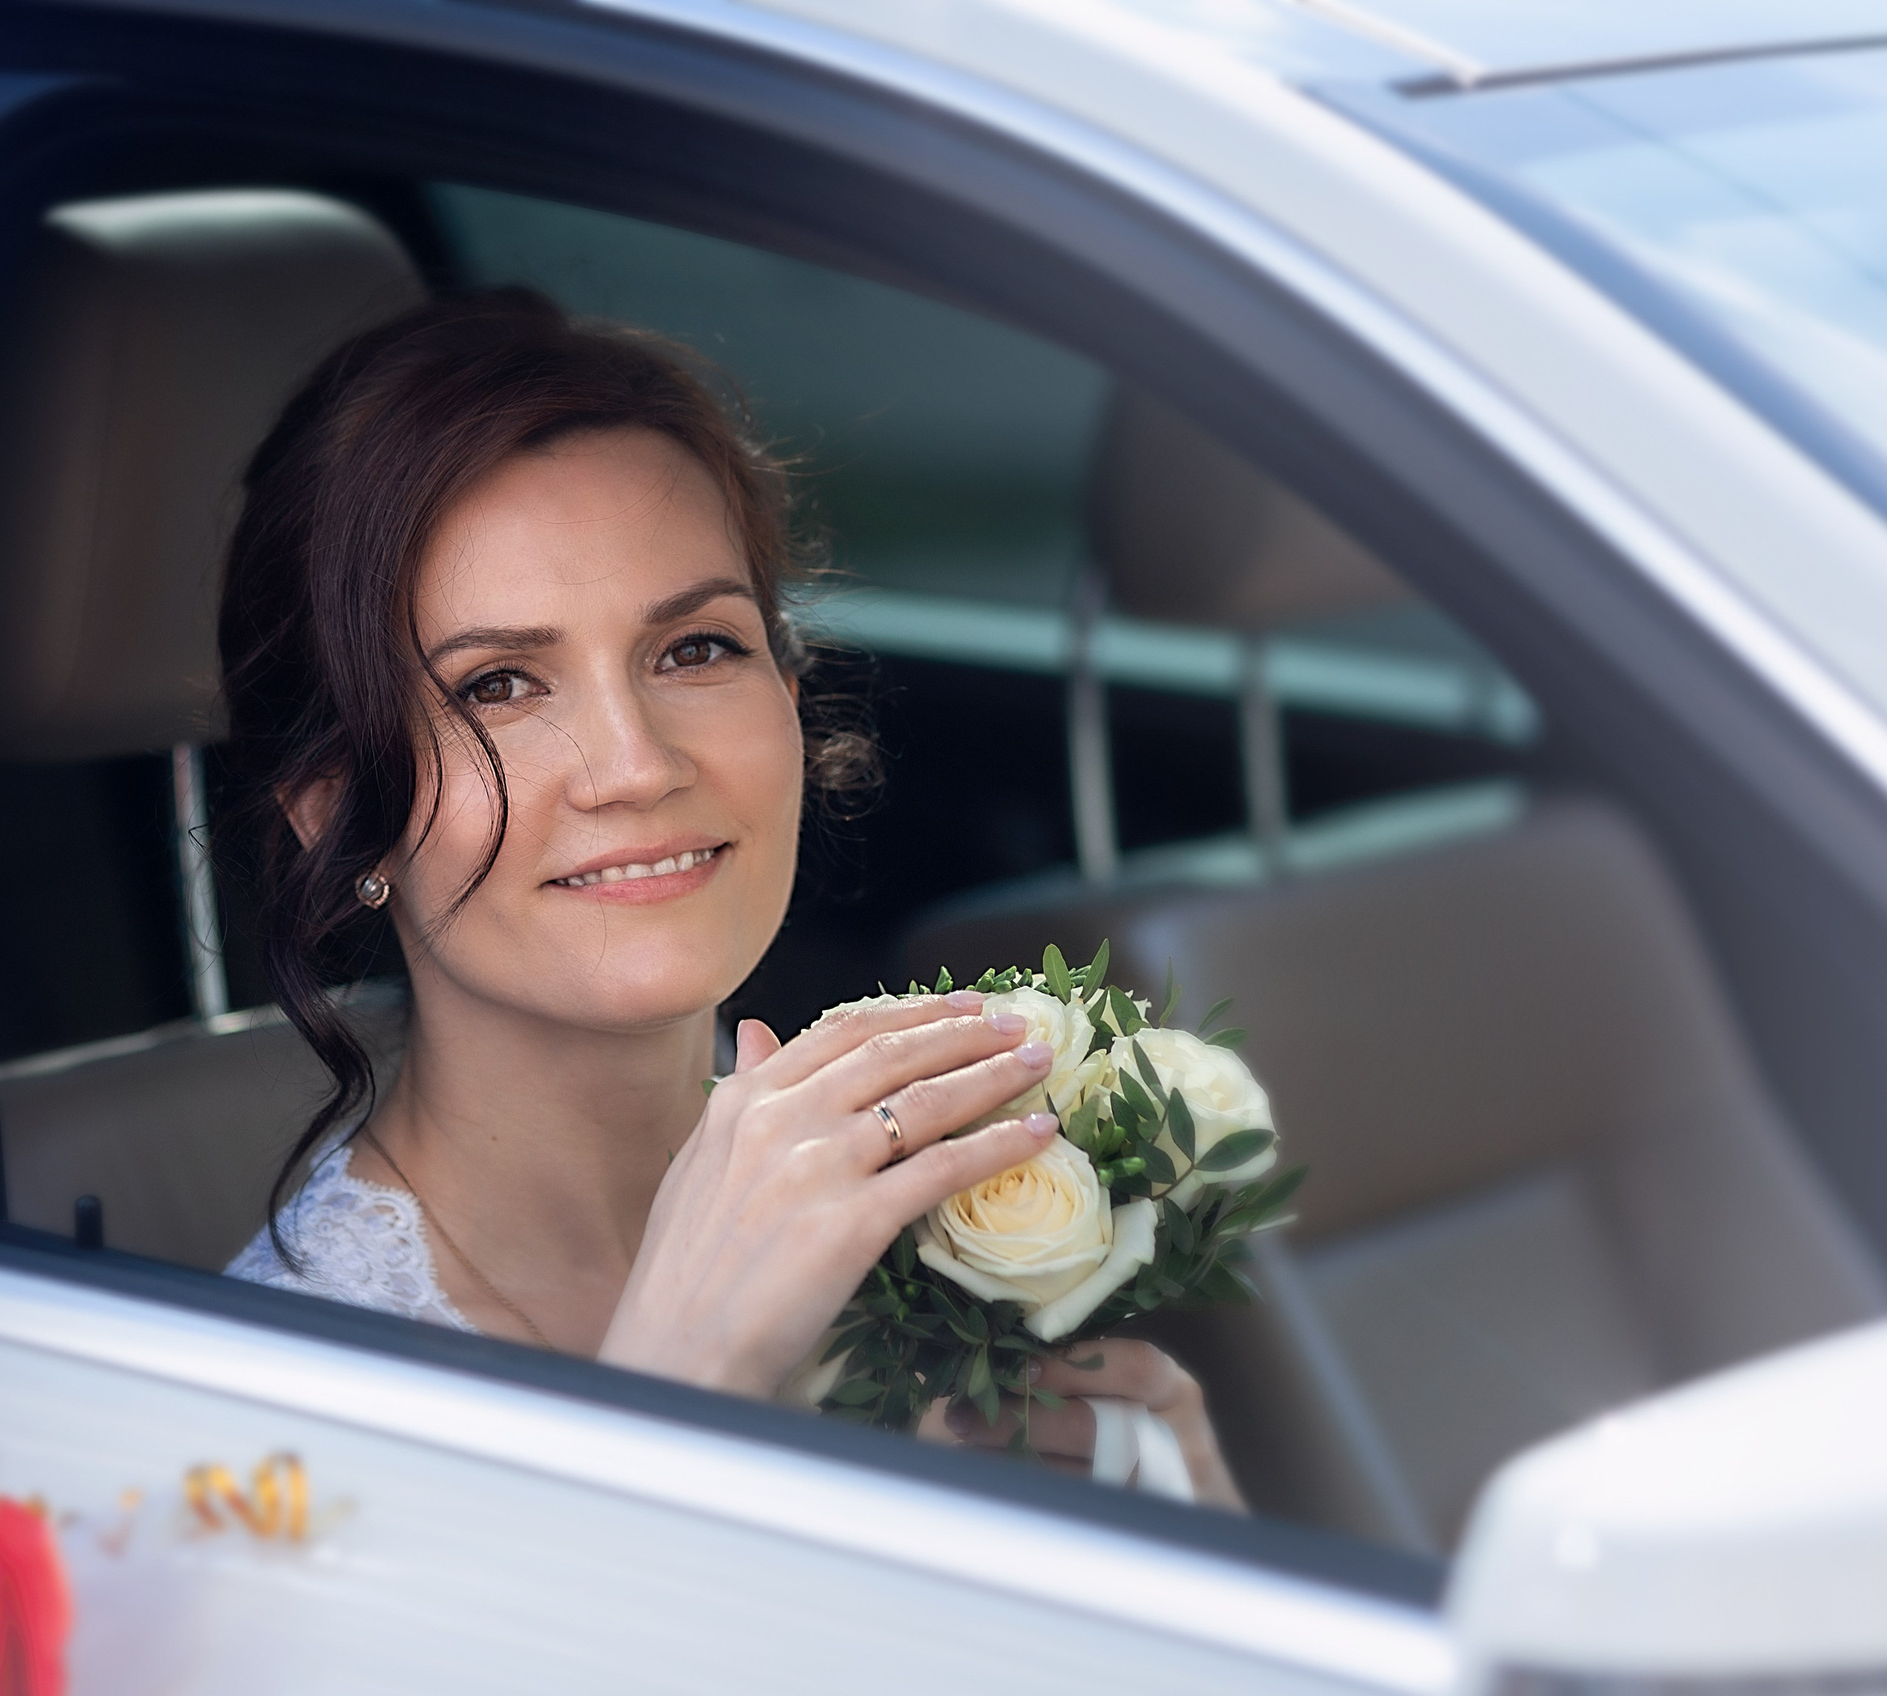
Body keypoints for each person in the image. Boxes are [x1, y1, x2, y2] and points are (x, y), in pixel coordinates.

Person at [218, 289, 1238, 1504]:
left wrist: (1191, 1520)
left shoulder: (954, 1229)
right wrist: (680, 1388)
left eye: (693, 650)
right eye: (497, 686)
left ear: (791, 702)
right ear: (337, 811)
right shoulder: (272, 1415)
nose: (639, 764)